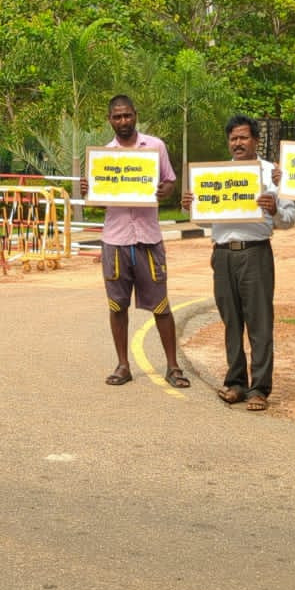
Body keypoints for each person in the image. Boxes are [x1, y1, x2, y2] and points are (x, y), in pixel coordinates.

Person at [181, 115, 295, 410]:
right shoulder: (215, 175)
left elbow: (289, 219)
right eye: (233, 138)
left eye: (244, 137)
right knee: (231, 322)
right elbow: (206, 220)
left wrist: (274, 209)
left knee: (259, 323)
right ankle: (236, 383)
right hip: (222, 254)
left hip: (255, 253)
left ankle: (259, 389)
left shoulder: (273, 174)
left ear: (256, 140)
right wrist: (192, 207)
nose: (238, 143)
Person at [83, 95, 183, 389]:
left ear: (135, 115)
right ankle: (123, 365)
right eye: (117, 117)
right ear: (109, 120)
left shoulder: (155, 147)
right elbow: (99, 197)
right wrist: (90, 189)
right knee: (117, 306)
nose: (123, 121)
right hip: (115, 240)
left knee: (161, 305)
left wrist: (165, 190)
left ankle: (173, 367)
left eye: (127, 115)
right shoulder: (103, 156)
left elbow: (169, 180)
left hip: (149, 238)